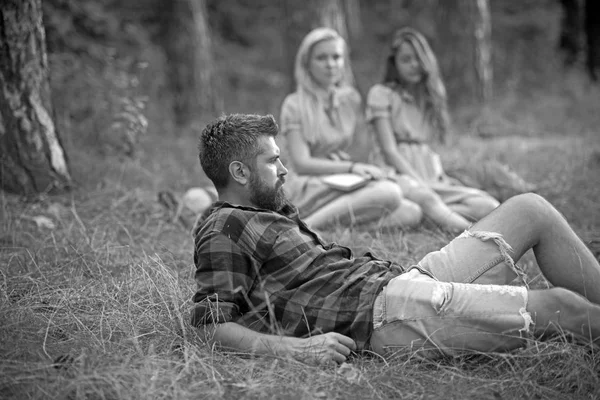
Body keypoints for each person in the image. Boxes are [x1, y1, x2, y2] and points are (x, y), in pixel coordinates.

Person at [192, 113, 600, 364]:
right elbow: (211, 325)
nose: (284, 169)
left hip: (400, 283)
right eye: (272, 160)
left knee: (530, 208)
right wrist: (295, 350)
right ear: (240, 173)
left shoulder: (268, 212)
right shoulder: (224, 226)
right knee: (563, 307)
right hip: (383, 316)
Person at [279, 27, 422, 230]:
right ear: (306, 64)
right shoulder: (295, 104)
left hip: (343, 181)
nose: (330, 65)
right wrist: (349, 167)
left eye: (336, 57)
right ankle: (304, 228)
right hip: (307, 185)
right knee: (389, 192)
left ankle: (332, 229)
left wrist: (364, 167)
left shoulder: (351, 99)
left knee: (411, 212)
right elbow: (302, 163)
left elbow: (359, 153)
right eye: (321, 58)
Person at [366, 27, 500, 228]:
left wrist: (441, 178)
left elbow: (428, 150)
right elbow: (389, 151)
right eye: (406, 59)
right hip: (397, 173)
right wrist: (418, 180)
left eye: (418, 59)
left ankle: (429, 218)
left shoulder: (429, 98)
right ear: (394, 63)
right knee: (426, 198)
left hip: (430, 174)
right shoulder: (381, 94)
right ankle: (468, 233)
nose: (414, 65)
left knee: (487, 205)